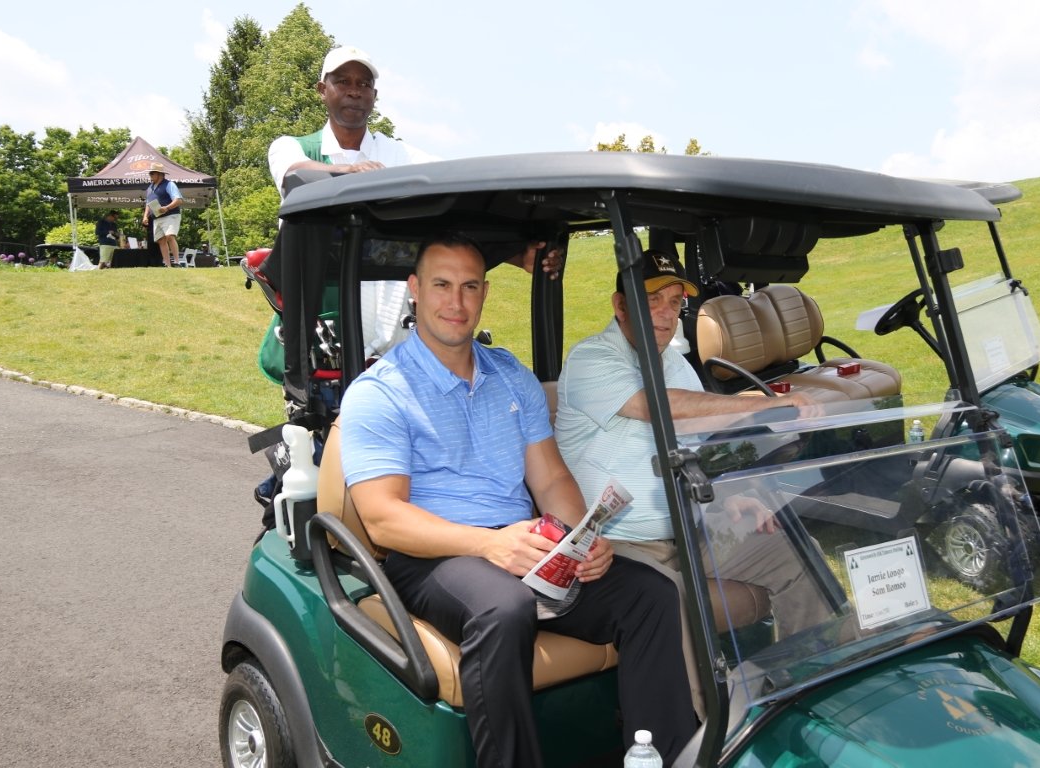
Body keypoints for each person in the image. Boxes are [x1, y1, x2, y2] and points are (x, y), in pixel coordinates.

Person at [339, 233, 696, 768]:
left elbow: (550, 479)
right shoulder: (381, 391)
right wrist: (488, 545)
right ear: (415, 289)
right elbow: (384, 518)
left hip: (520, 544)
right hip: (432, 554)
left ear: (484, 293)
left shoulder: (510, 376)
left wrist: (582, 540)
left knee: (650, 594)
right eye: (441, 285)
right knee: (503, 608)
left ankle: (662, 759)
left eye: (469, 287)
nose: (456, 302)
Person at [554, 248, 833, 717]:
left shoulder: (677, 364)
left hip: (689, 532)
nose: (666, 314)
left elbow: (699, 443)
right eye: (651, 301)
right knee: (666, 603)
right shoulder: (592, 359)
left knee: (798, 553)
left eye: (674, 302)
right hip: (619, 544)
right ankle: (704, 736)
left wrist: (729, 498)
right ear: (620, 306)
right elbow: (659, 407)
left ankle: (810, 688)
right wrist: (763, 403)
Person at [265, 44, 560, 364]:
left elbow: (456, 193)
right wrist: (350, 173)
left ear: (374, 96)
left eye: (364, 84)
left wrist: (516, 251)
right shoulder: (291, 147)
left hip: (396, 354)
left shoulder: (399, 155)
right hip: (321, 354)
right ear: (323, 90)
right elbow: (294, 176)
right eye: (343, 81)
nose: (354, 91)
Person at [142, 162, 183, 267]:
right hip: (157, 218)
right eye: (150, 173)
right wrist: (145, 216)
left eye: (152, 173)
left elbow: (178, 200)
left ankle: (177, 262)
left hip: (170, 215)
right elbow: (148, 204)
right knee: (161, 240)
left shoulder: (169, 184)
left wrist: (167, 208)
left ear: (159, 174)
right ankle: (168, 265)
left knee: (169, 236)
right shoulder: (149, 188)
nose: (150, 175)